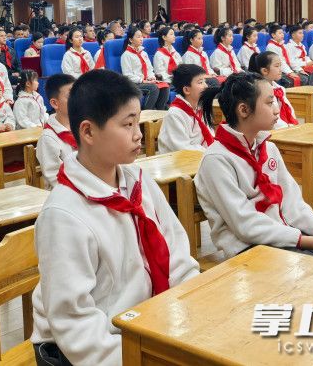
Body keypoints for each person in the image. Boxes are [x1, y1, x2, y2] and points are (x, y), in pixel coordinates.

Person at [30, 69, 200, 365]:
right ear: (88, 132)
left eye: (138, 121)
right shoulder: (63, 215)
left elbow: (177, 256)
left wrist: (193, 310)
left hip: (143, 324)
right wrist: (144, 357)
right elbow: (76, 326)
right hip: (89, 350)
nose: (138, 134)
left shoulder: (138, 181)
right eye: (127, 124)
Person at [194, 72, 313, 266]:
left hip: (287, 235)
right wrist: (310, 242)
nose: (276, 109)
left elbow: (293, 204)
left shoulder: (268, 148)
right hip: (250, 249)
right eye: (269, 103)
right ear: (244, 110)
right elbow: (245, 225)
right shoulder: (216, 160)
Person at [158, 64, 213, 153]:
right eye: (200, 82)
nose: (206, 86)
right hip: (179, 160)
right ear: (187, 90)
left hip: (200, 156)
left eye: (205, 81)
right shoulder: (175, 114)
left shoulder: (200, 109)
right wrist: (210, 152)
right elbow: (183, 149)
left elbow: (210, 135)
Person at [36, 74, 76, 189]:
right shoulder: (48, 138)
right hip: (66, 194)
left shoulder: (84, 128)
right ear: (54, 103)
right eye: (71, 95)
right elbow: (56, 178)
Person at [121, 26, 169, 110]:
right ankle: (146, 113)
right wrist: (142, 80)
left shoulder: (143, 53)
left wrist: (151, 78)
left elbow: (149, 69)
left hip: (146, 81)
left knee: (165, 86)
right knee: (153, 88)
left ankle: (160, 112)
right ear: (131, 40)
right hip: (134, 83)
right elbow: (127, 75)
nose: (141, 39)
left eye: (141, 36)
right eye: (138, 37)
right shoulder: (126, 55)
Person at [249, 51, 298, 129]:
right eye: (277, 66)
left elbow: (290, 110)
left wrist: (293, 125)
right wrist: (288, 128)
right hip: (271, 130)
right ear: (264, 71)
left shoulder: (280, 89)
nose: (280, 70)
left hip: (285, 127)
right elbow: (271, 117)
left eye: (280, 65)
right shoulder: (260, 91)